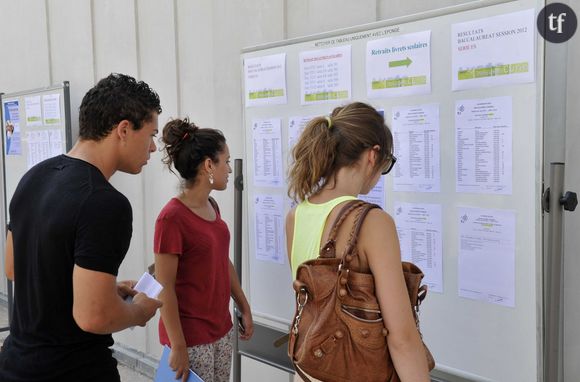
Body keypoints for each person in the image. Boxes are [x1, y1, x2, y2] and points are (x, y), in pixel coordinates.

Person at [0, 73, 164, 382]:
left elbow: (15, 268)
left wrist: (102, 291)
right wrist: (137, 311)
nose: (153, 148)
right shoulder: (105, 203)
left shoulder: (33, 178)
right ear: (124, 130)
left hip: (15, 364)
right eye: (151, 134)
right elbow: (94, 316)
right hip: (72, 370)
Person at [285, 102, 430, 382]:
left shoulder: (296, 215)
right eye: (386, 164)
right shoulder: (373, 222)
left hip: (311, 371)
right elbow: (402, 337)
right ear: (373, 156)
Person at [154, 118, 254, 382]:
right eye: (227, 161)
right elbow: (165, 286)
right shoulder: (171, 218)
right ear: (209, 165)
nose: (230, 169)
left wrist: (242, 303)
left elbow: (221, 259)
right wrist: (178, 346)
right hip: (190, 339)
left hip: (220, 331)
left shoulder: (212, 205)